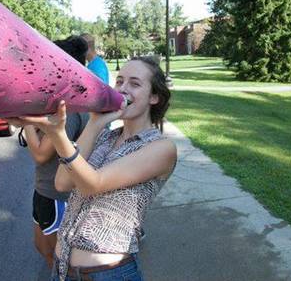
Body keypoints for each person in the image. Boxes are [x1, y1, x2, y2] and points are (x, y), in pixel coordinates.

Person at [14, 56, 177, 281]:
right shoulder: (105, 137)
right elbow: (62, 183)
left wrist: (57, 134)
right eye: (119, 82)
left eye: (135, 83)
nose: (123, 89)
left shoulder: (160, 148)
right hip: (63, 270)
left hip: (110, 273)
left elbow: (93, 184)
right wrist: (94, 123)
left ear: (154, 97)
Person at [18, 35, 90, 269]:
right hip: (44, 190)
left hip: (57, 196)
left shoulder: (69, 111)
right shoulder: (59, 103)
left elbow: (40, 154)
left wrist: (25, 121)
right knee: (42, 247)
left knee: (58, 258)